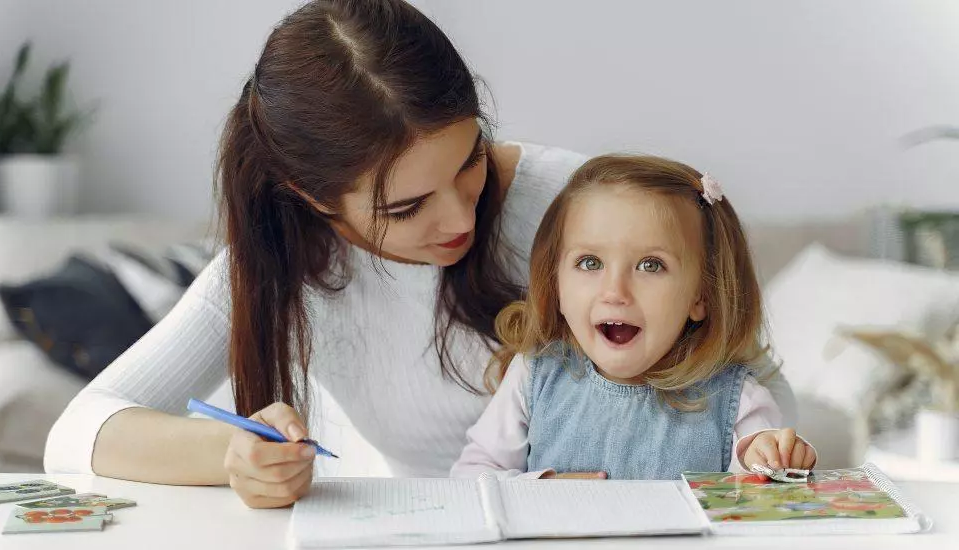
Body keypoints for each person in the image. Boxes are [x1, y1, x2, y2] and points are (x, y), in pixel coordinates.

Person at [44, 0, 795, 508]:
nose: (461, 214)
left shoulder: (585, 210)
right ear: (312, 197)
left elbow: (743, 376)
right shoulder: (280, 266)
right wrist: (232, 455)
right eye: (404, 208)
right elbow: (76, 433)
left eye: (470, 160)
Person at [451, 155, 815, 480]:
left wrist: (773, 458)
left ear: (701, 296)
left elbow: (762, 486)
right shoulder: (534, 377)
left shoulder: (738, 400)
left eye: (650, 265)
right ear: (556, 285)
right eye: (589, 263)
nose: (615, 291)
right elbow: (471, 476)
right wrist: (539, 489)